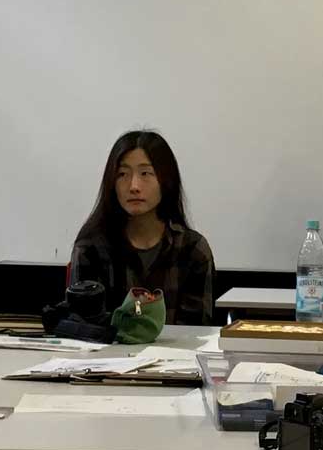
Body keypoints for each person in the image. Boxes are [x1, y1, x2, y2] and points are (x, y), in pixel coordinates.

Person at [69, 131, 216, 326]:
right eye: (122, 174)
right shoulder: (91, 248)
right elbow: (83, 327)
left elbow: (195, 331)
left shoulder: (192, 250)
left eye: (145, 173)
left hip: (177, 347)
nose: (134, 186)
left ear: (166, 180)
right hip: (108, 347)